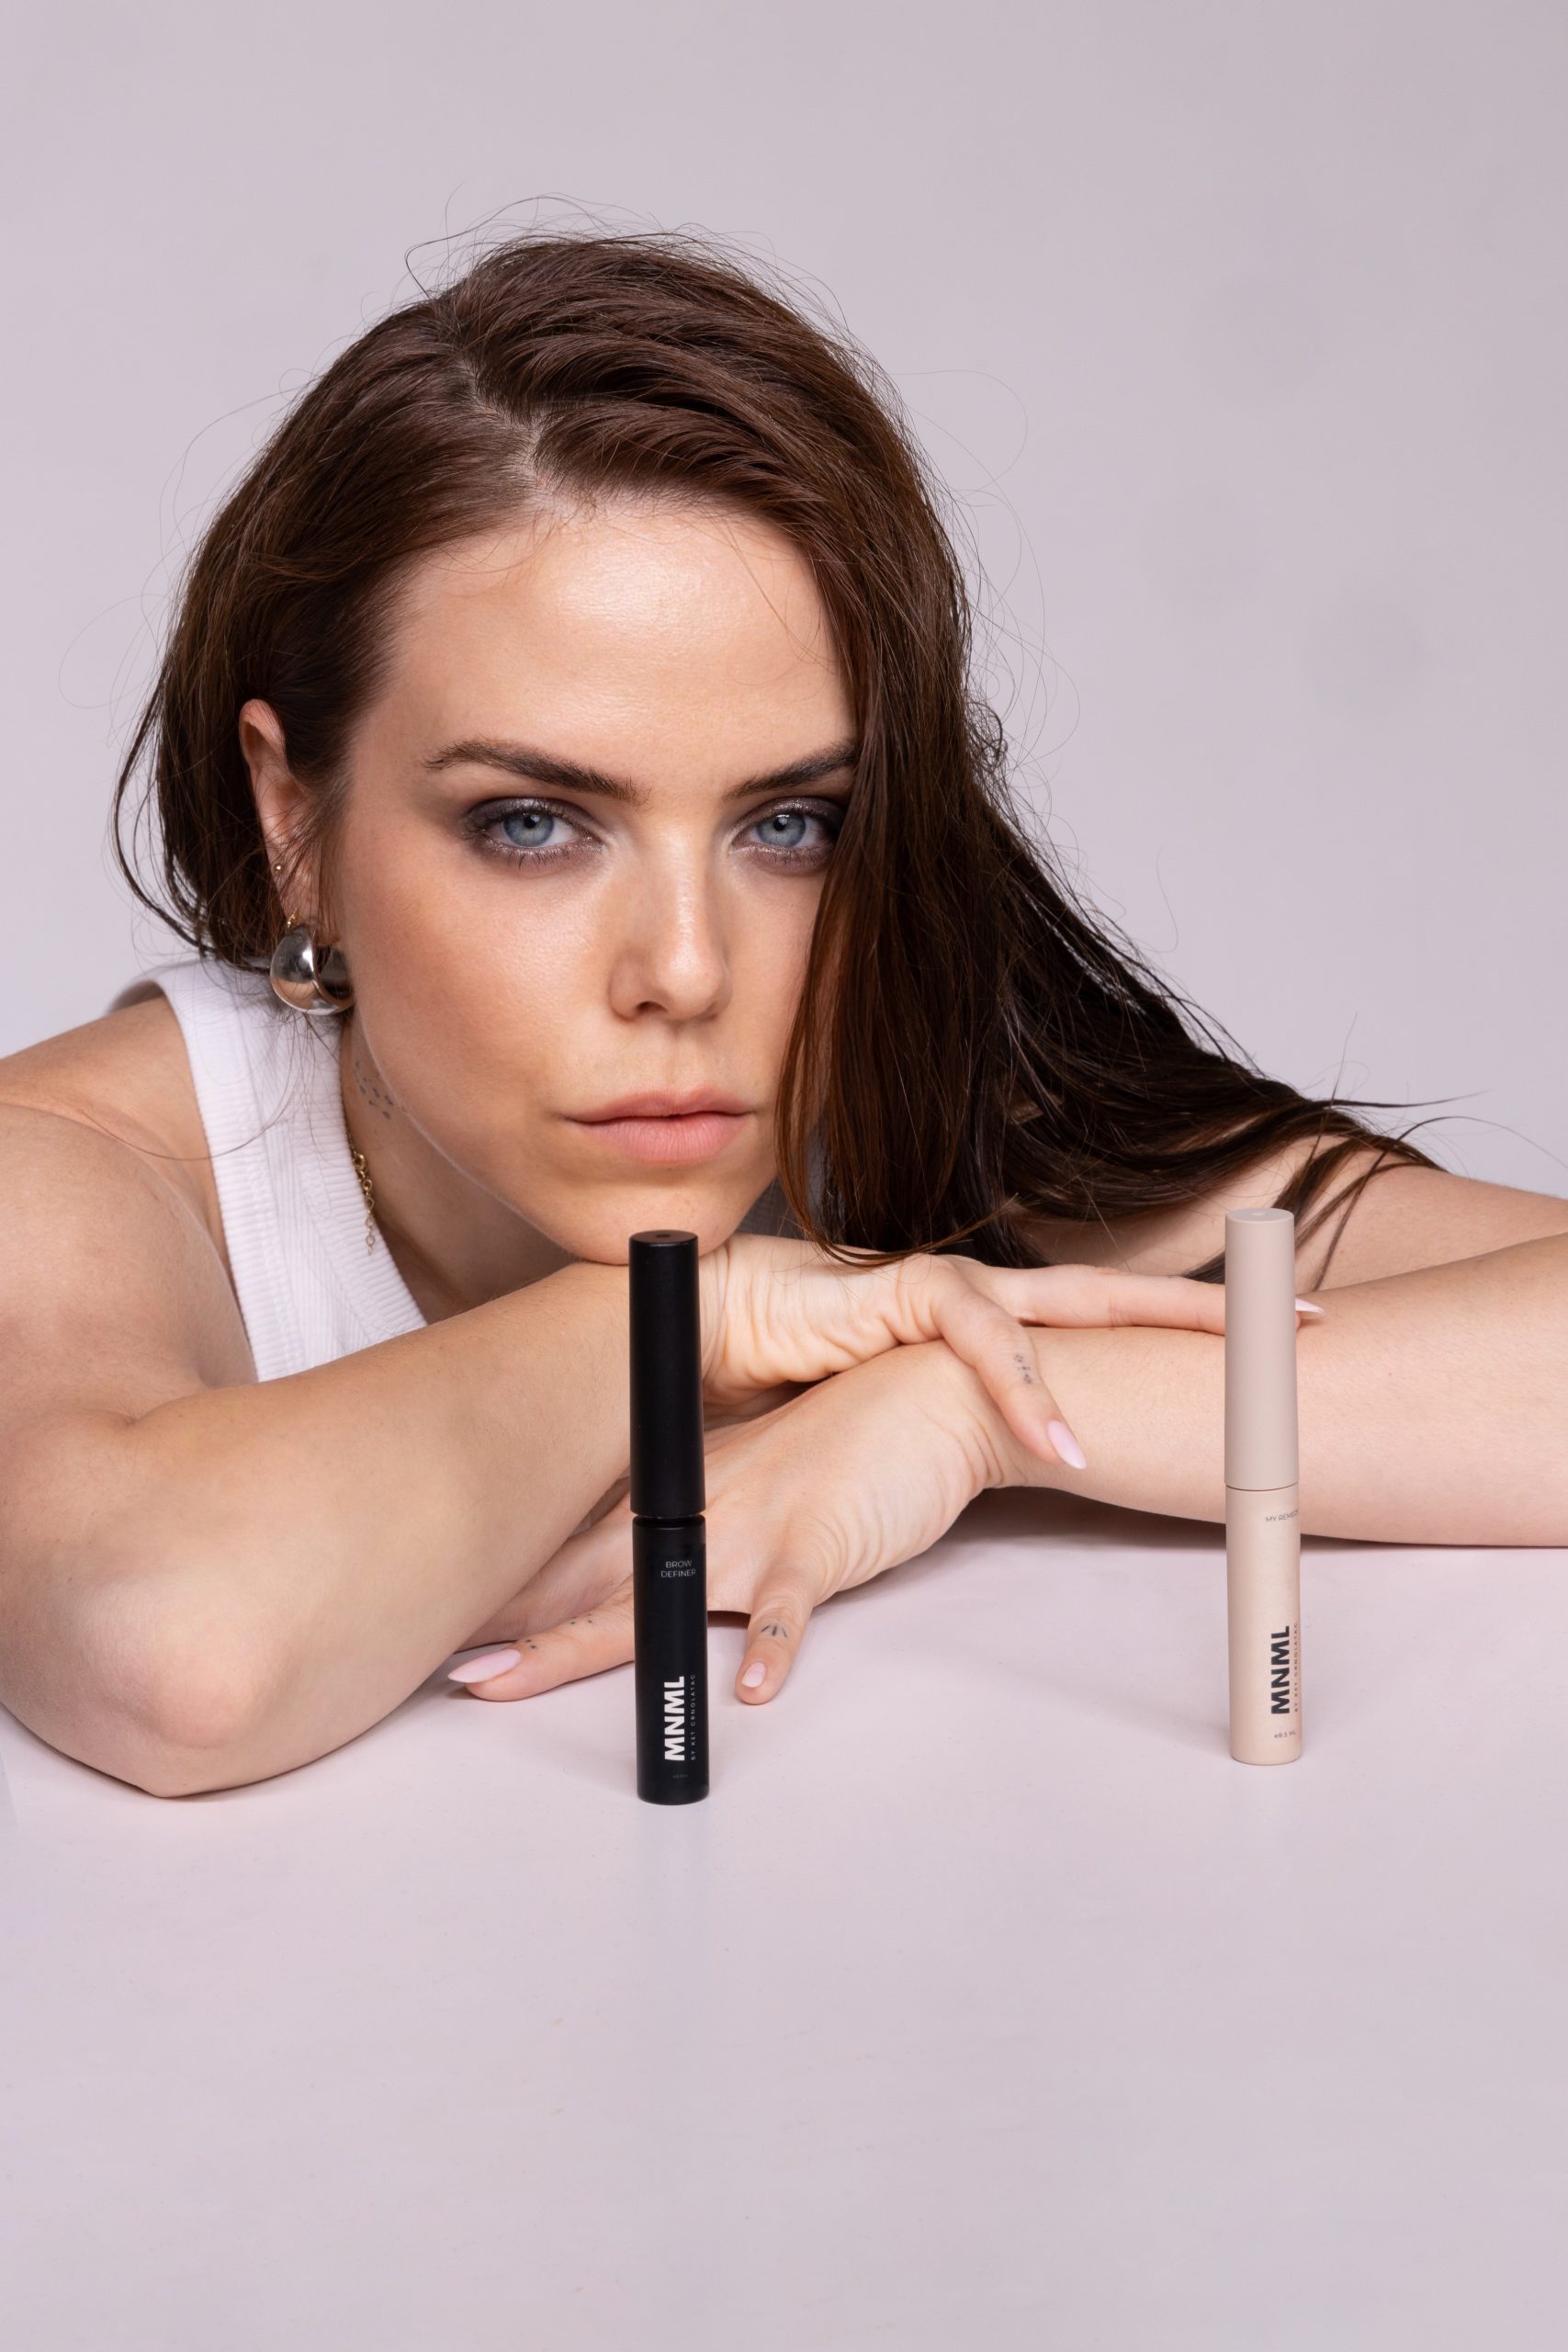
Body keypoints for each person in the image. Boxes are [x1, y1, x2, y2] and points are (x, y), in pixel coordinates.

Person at [1, 231, 1562, 1802]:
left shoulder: (916, 1095)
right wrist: (699, 1321)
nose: (688, 971)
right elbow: (171, 1651)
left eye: (791, 825)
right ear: (294, 819)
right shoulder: (82, 1165)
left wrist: (971, 1401)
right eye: (534, 824)